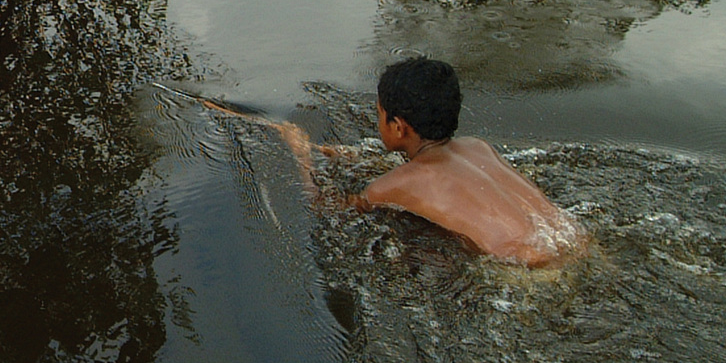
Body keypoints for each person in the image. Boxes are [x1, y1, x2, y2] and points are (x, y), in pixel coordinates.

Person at [205, 57, 585, 268]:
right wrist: (334, 152)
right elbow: (424, 168)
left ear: (398, 126)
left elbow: (324, 208)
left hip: (528, 271)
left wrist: (300, 153)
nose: (377, 120)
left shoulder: (392, 187)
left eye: (379, 114)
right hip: (575, 240)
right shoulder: (476, 147)